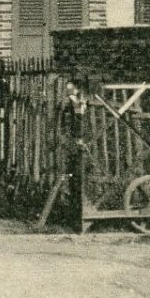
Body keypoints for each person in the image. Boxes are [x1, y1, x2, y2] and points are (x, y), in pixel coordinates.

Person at [56, 79, 91, 227]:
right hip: (73, 142)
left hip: (80, 142)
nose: (68, 90)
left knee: (79, 178)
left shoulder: (80, 102)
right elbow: (69, 122)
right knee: (74, 178)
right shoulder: (70, 103)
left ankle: (77, 212)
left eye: (71, 88)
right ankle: (74, 213)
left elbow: (81, 119)